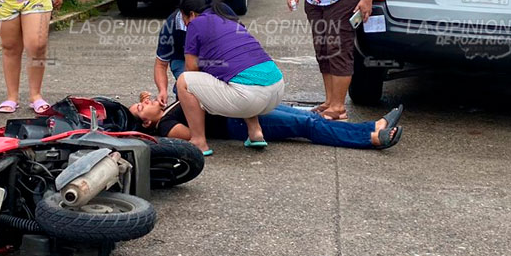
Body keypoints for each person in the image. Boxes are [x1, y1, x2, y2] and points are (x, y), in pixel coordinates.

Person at [175, 0, 285, 155]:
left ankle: (199, 141)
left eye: (183, 18)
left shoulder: (195, 24)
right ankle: (255, 132)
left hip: (248, 97)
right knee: (237, 73)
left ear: (190, 14)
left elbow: (191, 68)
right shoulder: (227, 18)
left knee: (184, 82)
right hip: (277, 88)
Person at [129, 93, 404, 150]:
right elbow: (192, 136)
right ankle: (370, 138)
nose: (147, 101)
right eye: (143, 107)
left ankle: (372, 126)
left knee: (310, 117)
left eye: (143, 100)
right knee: (307, 127)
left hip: (241, 108)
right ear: (147, 124)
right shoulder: (166, 126)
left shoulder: (172, 104)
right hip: (234, 124)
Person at [153, 2, 235, 106]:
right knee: (189, 87)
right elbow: (160, 65)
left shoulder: (221, 11)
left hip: (214, 56)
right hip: (181, 58)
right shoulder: (171, 26)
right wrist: (163, 91)